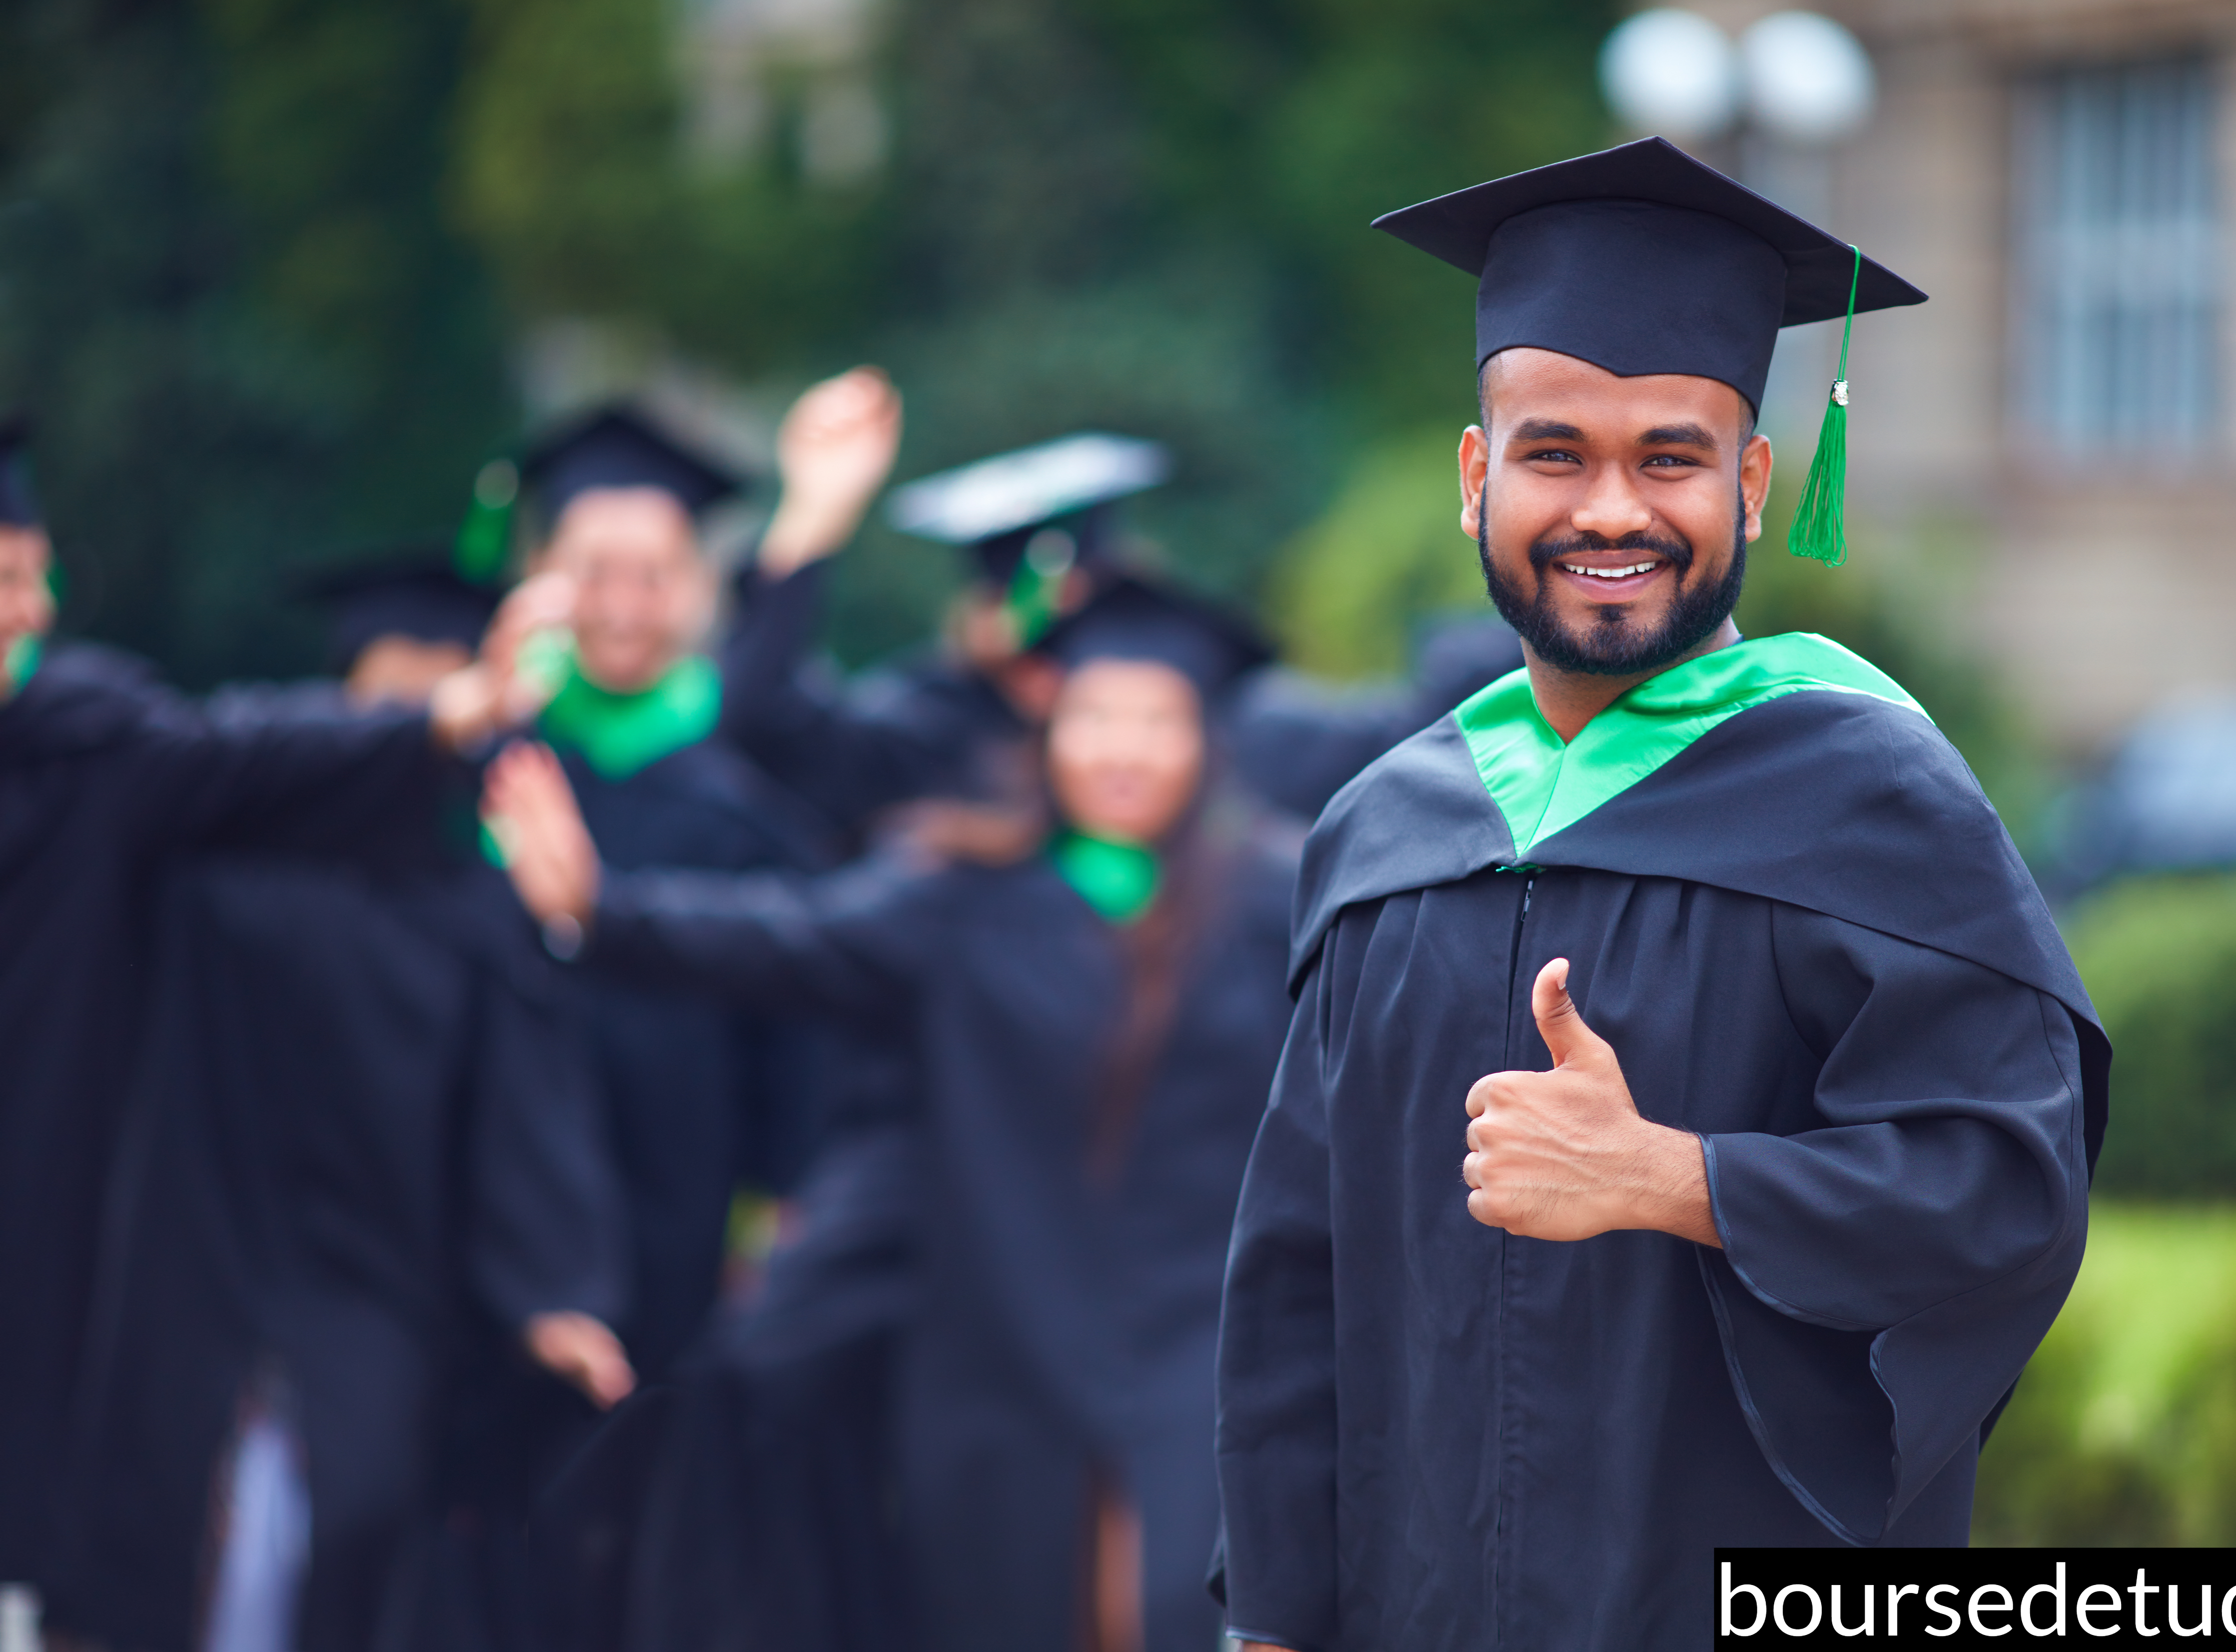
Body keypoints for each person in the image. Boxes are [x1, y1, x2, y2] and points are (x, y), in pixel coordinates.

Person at [1212, 137, 2108, 1651]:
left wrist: (1680, 1180)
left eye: (1671, 457)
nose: (1612, 510)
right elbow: (1297, 1278)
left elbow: (2006, 1202)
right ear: (1475, 475)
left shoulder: (1874, 807)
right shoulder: (1386, 834)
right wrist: (1274, 1619)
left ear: (1753, 483)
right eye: (1555, 451)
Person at [485, 576, 1299, 1652]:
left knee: (1171, 1610)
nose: (1123, 750)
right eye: (1095, 717)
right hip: (1003, 1353)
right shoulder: (962, 897)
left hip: (1197, 1347)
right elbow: (782, 937)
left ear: (1205, 741)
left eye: (1158, 721)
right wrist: (602, 909)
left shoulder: (1269, 906)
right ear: (1046, 729)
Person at [45, 557, 633, 1652]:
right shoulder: (204, 869)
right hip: (188, 1263)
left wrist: (553, 1289)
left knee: (346, 1545)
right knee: (156, 1547)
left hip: (375, 1281)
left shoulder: (469, 912)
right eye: (396, 691)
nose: (421, 718)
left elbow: (521, 1112)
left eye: (447, 689)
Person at [0, 426, 534, 1614]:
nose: (16, 607)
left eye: (24, 574)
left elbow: (252, 753)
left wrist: (442, 717)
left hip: (39, 1201)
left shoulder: (91, 750)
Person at [721, 378, 1520, 833]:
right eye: (1042, 642)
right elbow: (764, 719)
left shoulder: (1239, 728)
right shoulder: (935, 735)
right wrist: (812, 517)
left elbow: (1416, 730)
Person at [506, 407, 842, 1390]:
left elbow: (793, 1018)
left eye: (652, 576)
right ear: (539, 577)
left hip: (687, 1198)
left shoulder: (741, 784)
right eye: (592, 573)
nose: (622, 605)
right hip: (505, 1206)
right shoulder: (495, 752)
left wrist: (783, 1197)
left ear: (697, 589)